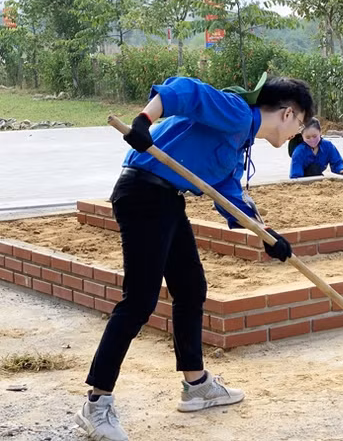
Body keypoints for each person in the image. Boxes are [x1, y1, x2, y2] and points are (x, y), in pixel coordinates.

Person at [76, 74, 315, 441]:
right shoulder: (237, 113)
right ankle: (96, 404)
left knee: (190, 289)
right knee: (139, 301)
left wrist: (268, 237)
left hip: (167, 200)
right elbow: (185, 91)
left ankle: (196, 384)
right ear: (288, 113)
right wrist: (144, 120)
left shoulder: (238, 144)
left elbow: (229, 196)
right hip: (142, 194)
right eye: (299, 124)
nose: (296, 133)